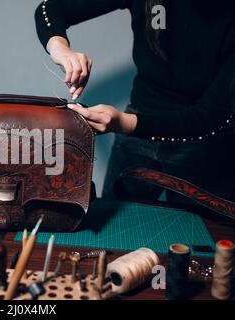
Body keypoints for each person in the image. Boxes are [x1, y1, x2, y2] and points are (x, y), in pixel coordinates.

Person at [35, 0, 235, 202]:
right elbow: (50, 9)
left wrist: (122, 123)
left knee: (201, 231)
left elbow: (211, 117)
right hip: (137, 131)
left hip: (202, 144)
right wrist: (60, 48)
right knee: (119, 228)